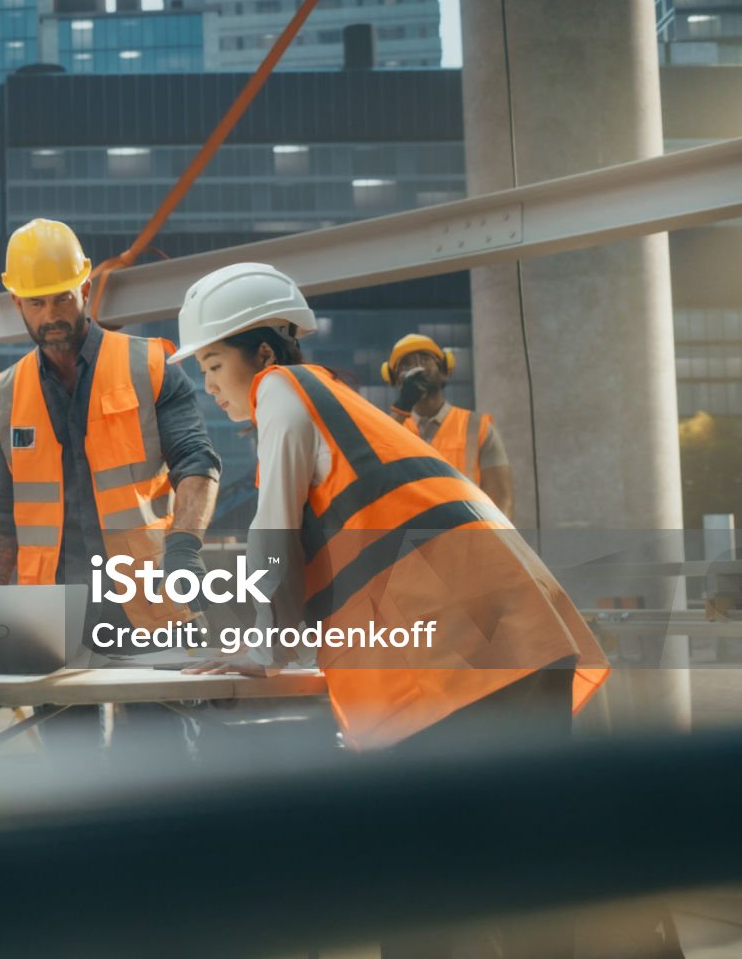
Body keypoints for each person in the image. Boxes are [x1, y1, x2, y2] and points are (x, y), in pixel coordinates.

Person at [173, 262, 608, 757]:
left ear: (265, 353)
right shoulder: (335, 403)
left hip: (464, 652)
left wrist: (265, 649)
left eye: (212, 365)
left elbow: (272, 532)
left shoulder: (279, 388)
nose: (208, 386)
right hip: (518, 630)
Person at [0, 218, 222, 751]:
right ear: (17, 303)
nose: (50, 315)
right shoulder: (2, 396)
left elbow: (197, 463)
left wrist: (183, 550)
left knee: (163, 763)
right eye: (35, 304)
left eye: (61, 299)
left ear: (85, 289)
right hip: (54, 616)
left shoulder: (150, 367)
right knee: (71, 773)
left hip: (152, 602)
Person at [383, 333, 515, 512]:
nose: (417, 367)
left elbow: (501, 499)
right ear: (397, 381)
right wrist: (401, 407)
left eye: (425, 359)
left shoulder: (477, 428)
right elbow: (368, 466)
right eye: (406, 364)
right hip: (408, 538)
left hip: (465, 537)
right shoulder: (388, 431)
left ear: (444, 371)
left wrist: (494, 539)